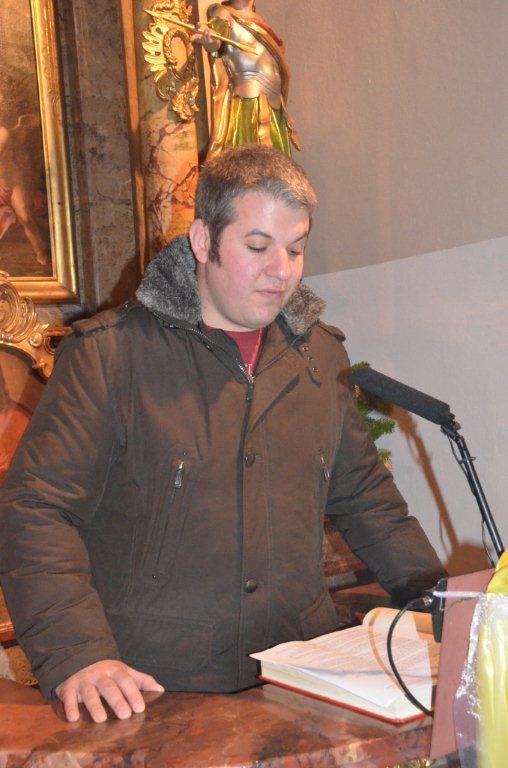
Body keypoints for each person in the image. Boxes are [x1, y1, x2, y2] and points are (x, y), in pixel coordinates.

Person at [0, 145, 444, 724]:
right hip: (151, 689)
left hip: (297, 677)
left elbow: (368, 502)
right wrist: (79, 654)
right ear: (203, 240)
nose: (281, 270)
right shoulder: (110, 355)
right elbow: (36, 510)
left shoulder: (320, 355)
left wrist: (452, 614)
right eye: (257, 246)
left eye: (295, 248)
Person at [193, 0, 301, 156]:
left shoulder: (259, 20)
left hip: (273, 100)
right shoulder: (223, 13)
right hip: (248, 99)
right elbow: (216, 44)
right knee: (250, 155)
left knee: (276, 157)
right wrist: (209, 40)